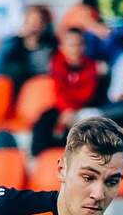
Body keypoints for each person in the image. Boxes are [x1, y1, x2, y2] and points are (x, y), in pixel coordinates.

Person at [30, 27, 103, 156]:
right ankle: (38, 158)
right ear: (62, 47)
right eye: (71, 45)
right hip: (63, 107)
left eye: (79, 44)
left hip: (83, 108)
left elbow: (87, 93)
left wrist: (72, 110)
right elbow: (59, 91)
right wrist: (66, 110)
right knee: (44, 120)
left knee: (81, 125)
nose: (75, 49)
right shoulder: (57, 64)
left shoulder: (91, 67)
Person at [0, 5, 56, 90]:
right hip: (17, 87)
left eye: (38, 22)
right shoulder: (12, 44)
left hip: (40, 89)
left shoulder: (51, 46)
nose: (34, 26)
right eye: (30, 22)